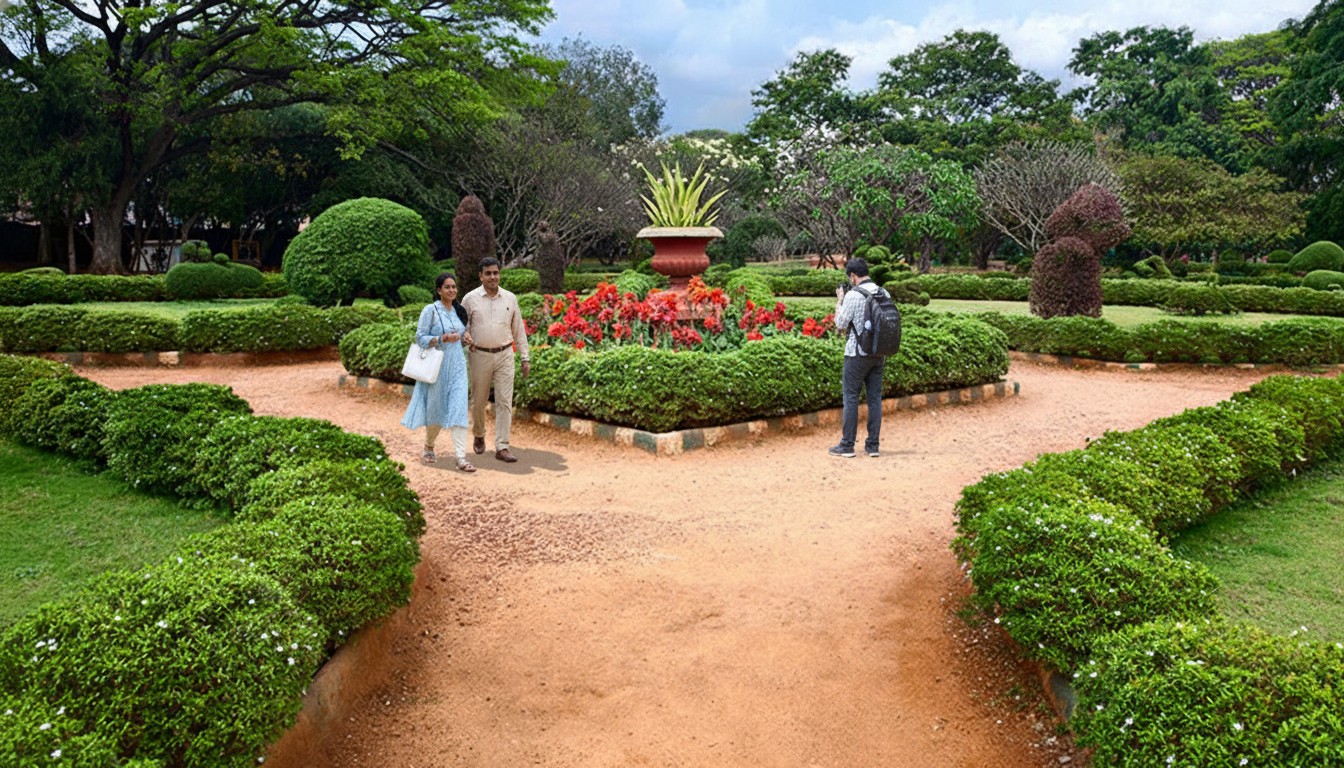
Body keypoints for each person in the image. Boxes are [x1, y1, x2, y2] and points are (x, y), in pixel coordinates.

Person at [401, 272, 476, 472]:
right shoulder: (430, 310)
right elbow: (420, 338)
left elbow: (461, 336)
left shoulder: (459, 311)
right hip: (437, 370)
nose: (452, 290)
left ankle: (461, 457)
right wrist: (442, 338)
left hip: (458, 367)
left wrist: (466, 338)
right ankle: (429, 445)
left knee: (459, 410)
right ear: (439, 290)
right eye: (447, 287)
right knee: (436, 410)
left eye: (454, 287)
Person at [462, 257, 530, 463]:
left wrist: (525, 357)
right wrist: (465, 336)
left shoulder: (510, 298)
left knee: (504, 402)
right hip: (479, 355)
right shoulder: (470, 299)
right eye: (488, 273)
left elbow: (518, 329)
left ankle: (502, 446)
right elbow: (461, 326)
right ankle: (479, 434)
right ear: (480, 276)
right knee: (478, 400)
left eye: (496, 273)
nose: (493, 277)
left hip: (505, 355)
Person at [830, 257, 884, 459]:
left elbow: (841, 323)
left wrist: (840, 300)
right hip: (879, 352)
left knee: (851, 397)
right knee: (874, 398)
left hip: (857, 353)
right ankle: (873, 446)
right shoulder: (883, 291)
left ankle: (847, 445)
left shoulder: (853, 295)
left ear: (853, 276)